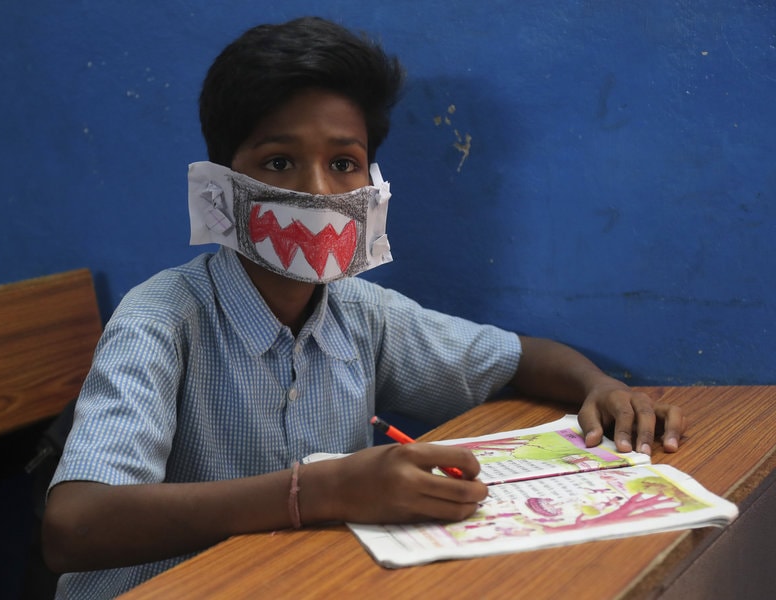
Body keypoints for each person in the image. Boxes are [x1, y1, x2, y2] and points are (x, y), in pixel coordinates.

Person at [42, 16, 685, 598]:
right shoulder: (160, 318)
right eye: (279, 161)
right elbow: (75, 527)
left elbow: (519, 360)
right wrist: (317, 492)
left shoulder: (361, 311)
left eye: (344, 162)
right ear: (221, 187)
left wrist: (599, 385)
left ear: (372, 185)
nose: (317, 191)